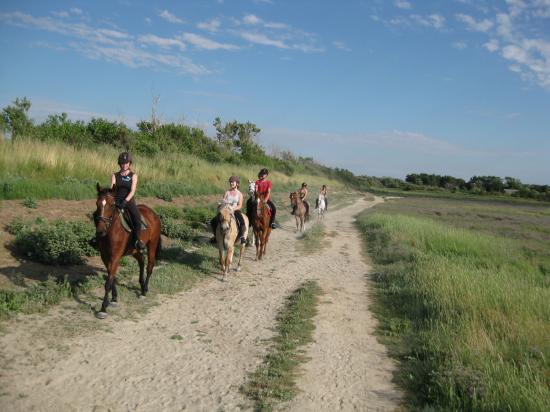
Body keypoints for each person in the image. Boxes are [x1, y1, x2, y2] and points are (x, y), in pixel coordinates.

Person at [112, 152, 146, 251]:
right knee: (101, 216)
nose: (124, 165)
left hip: (128, 201)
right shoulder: (115, 175)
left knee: (137, 218)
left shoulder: (133, 176)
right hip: (116, 201)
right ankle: (98, 238)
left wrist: (125, 202)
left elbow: (132, 191)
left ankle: (137, 240)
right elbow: (112, 189)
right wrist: (114, 201)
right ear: (119, 164)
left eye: (126, 163)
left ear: (129, 163)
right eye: (122, 163)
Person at [210, 176, 247, 244]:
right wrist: (221, 203)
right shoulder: (227, 192)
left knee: (242, 221)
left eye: (233, 182)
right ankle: (216, 236)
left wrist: (233, 208)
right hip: (226, 211)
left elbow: (240, 205)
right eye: (230, 182)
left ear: (237, 183)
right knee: (213, 221)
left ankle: (242, 237)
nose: (231, 183)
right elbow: (223, 201)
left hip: (235, 210)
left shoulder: (240, 194)